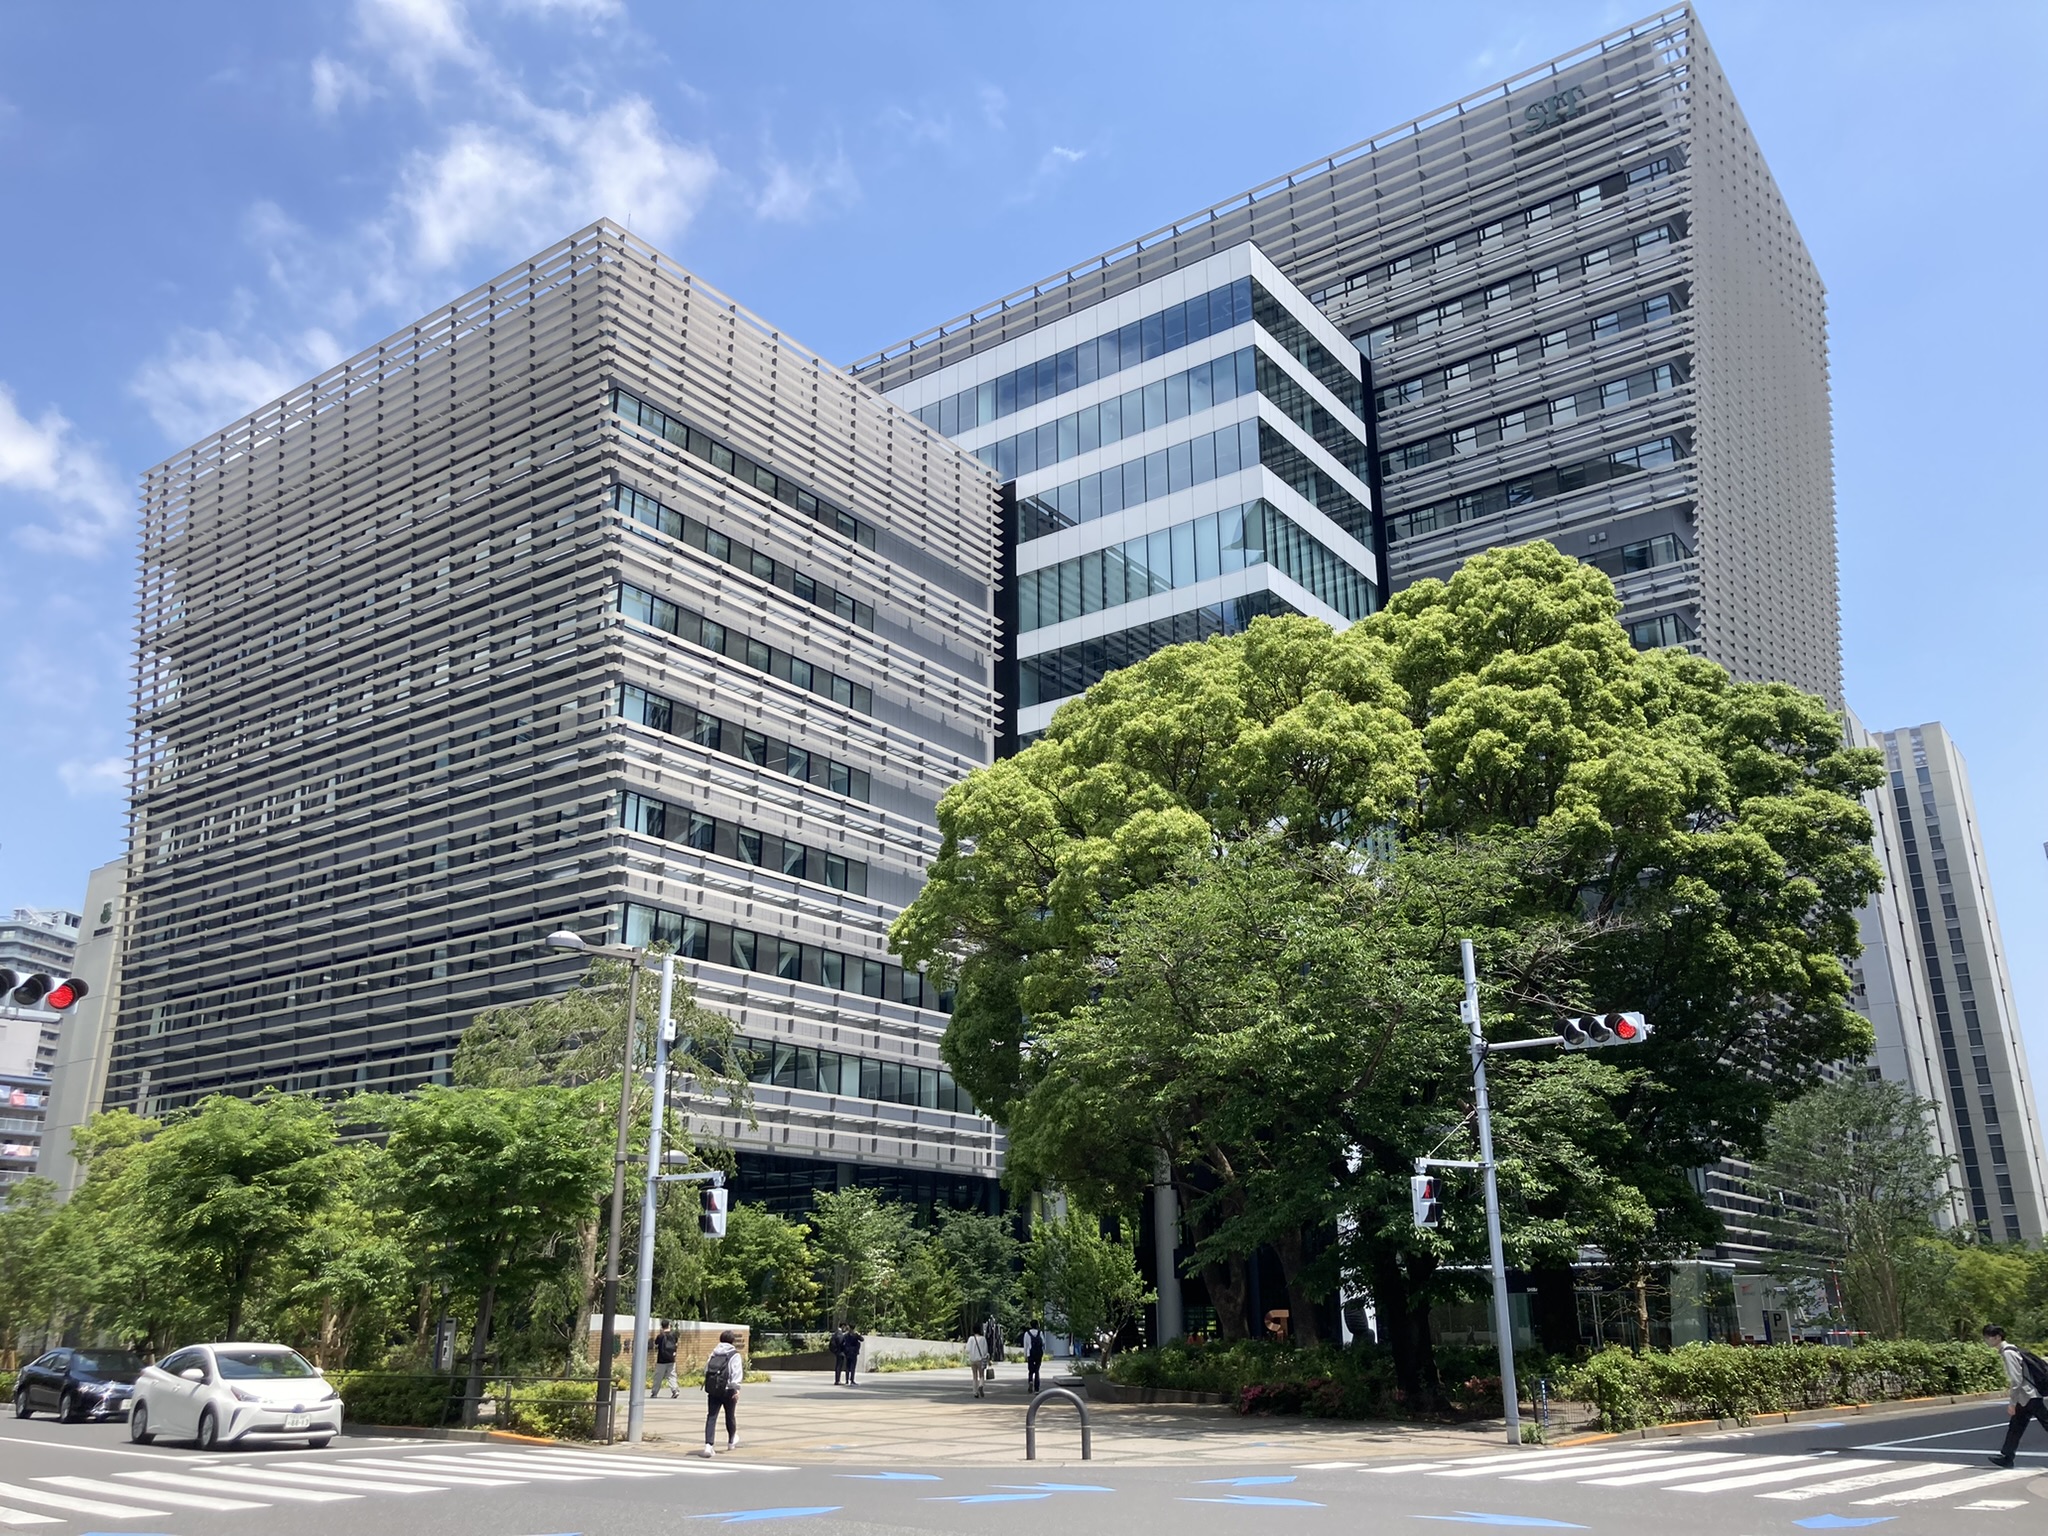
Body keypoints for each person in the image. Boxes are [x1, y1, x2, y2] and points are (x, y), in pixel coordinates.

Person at [1985, 1324, 2048, 1467]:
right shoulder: (2011, 1349)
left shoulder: (2008, 1353)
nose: (1987, 1341)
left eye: (1988, 1337)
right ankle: (2007, 1457)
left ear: (1997, 1337)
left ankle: (2007, 1456)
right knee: (2015, 1427)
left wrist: (2012, 1403)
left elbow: (2016, 1380)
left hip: (2028, 1396)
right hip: (2025, 1396)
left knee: (2044, 1423)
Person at [698, 1328, 744, 1457]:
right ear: (732, 1341)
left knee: (711, 1416)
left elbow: (707, 1370)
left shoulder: (714, 1353)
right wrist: (736, 1388)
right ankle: (731, 1442)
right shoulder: (734, 1355)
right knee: (730, 1415)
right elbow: (736, 1372)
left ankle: (708, 1445)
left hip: (713, 1389)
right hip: (728, 1389)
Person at [650, 1320, 680, 1400]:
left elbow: (656, 1344)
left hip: (661, 1360)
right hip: (671, 1359)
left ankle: (654, 1393)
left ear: (661, 1326)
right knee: (672, 1375)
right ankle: (675, 1390)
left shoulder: (660, 1336)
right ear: (669, 1325)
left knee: (658, 1377)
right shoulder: (674, 1335)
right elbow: (676, 1344)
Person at [1021, 1318, 1046, 1393]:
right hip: (1038, 1354)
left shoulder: (1027, 1334)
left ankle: (1030, 1381)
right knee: (1037, 1371)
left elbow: (1025, 1345)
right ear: (1037, 1325)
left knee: (1031, 1370)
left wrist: (1025, 1355)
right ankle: (1037, 1389)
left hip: (1030, 1354)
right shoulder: (1040, 1333)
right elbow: (1043, 1342)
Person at [965, 1325, 990, 1398]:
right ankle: (981, 1385)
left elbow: (967, 1350)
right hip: (980, 1359)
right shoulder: (983, 1339)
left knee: (974, 1376)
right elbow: (985, 1350)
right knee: (981, 1375)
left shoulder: (971, 1339)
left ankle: (975, 1392)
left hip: (972, 1359)